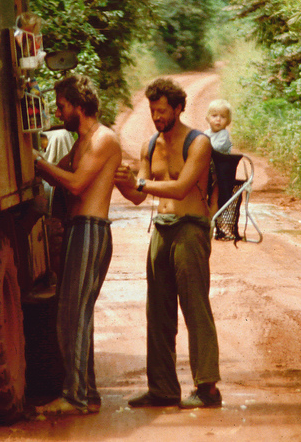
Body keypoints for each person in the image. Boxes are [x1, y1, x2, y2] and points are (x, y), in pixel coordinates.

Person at [114, 78, 223, 410]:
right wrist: (121, 183)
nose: (156, 116)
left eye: (162, 110)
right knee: (157, 312)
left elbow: (180, 188)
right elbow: (136, 197)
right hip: (161, 230)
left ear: (178, 108)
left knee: (194, 308)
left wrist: (141, 182)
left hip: (190, 229)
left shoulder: (199, 142)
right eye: (152, 110)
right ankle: (162, 388)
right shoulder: (150, 145)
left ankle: (208, 389)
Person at [33, 74, 122, 416]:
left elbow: (75, 184)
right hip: (77, 229)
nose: (59, 112)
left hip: (90, 229)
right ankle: (88, 394)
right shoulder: (80, 141)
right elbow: (61, 170)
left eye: (62, 106)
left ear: (79, 107)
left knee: (73, 315)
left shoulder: (102, 139)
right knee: (74, 314)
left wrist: (38, 163)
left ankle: (75, 397)